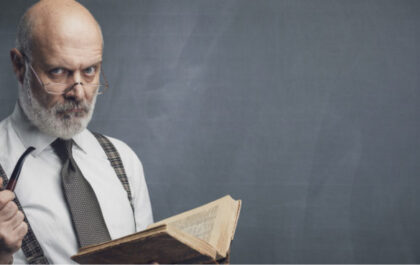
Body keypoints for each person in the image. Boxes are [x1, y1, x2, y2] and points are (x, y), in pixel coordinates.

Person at [0, 0, 153, 263]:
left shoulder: (123, 161)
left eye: (90, 70)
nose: (79, 92)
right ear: (19, 65)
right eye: (59, 71)